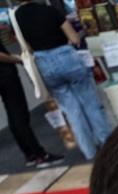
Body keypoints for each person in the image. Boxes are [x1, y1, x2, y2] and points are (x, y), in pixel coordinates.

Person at [14, 0, 112, 160]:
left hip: (44, 63)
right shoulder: (50, 10)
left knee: (72, 111)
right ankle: (108, 145)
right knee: (91, 104)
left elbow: (27, 47)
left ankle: (89, 152)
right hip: (66, 57)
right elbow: (74, 39)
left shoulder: (17, 17)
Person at [0, 40, 63, 168]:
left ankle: (29, 154)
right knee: (19, 115)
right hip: (5, 75)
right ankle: (40, 155)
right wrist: (16, 59)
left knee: (13, 115)